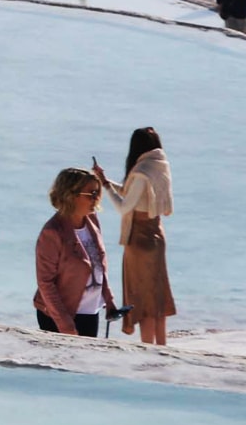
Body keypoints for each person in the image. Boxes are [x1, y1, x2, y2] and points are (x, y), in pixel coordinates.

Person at [93, 129, 175, 344]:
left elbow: (125, 207)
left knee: (143, 299)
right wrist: (106, 182)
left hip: (139, 239)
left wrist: (107, 191)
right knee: (157, 296)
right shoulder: (160, 164)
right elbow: (136, 196)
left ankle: (148, 347)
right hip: (157, 234)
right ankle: (162, 345)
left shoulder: (141, 173)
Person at [33, 168, 117, 337]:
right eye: (91, 194)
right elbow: (45, 283)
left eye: (97, 193)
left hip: (91, 311)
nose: (96, 199)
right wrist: (65, 324)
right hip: (61, 316)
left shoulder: (91, 220)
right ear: (72, 195)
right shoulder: (53, 232)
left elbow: (98, 264)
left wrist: (109, 300)